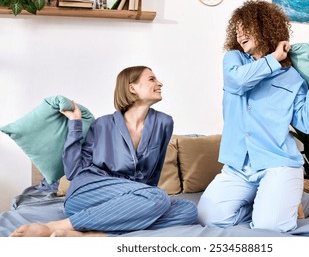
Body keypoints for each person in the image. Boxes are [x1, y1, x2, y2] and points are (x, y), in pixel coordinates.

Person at [197, 0, 309, 233]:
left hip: (278, 163)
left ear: (265, 28)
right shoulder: (233, 61)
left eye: (247, 27)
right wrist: (273, 58)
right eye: (237, 28)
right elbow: (238, 81)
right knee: (207, 217)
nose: (240, 33)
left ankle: (277, 204)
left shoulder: (292, 77)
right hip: (238, 167)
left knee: (269, 227)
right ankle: (265, 203)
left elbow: (307, 124)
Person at [11, 66, 198, 237]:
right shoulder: (102, 124)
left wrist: (143, 201)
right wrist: (75, 123)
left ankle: (94, 234)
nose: (160, 83)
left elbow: (155, 170)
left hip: (130, 199)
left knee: (188, 210)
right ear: (132, 87)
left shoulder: (164, 123)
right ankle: (57, 226)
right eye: (152, 79)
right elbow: (73, 171)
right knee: (157, 197)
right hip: (89, 192)